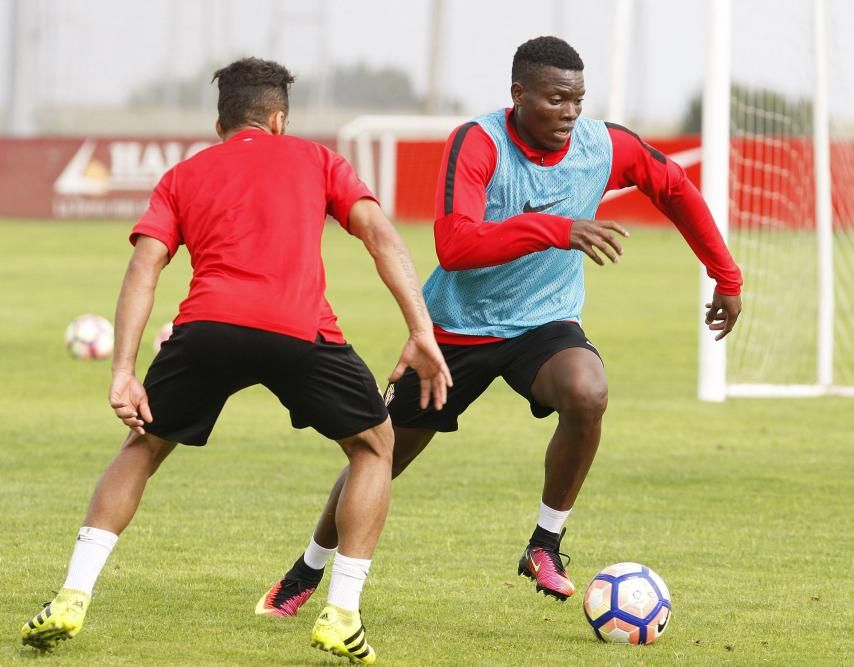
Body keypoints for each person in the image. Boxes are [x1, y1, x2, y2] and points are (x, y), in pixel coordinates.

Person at [256, 36, 742, 617]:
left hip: (544, 325)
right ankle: (306, 569)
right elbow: (455, 244)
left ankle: (545, 544)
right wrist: (556, 228)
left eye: (578, 99)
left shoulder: (602, 145)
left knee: (588, 391)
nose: (569, 113)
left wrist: (727, 276)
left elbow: (675, 188)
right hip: (455, 331)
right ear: (518, 94)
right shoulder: (478, 142)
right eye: (555, 98)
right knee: (381, 454)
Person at [19, 57, 451, 665]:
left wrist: (123, 371)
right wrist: (420, 329)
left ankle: (72, 593)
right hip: (301, 330)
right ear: (278, 118)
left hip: (207, 328)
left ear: (220, 121)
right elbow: (381, 235)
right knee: (374, 447)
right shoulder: (318, 159)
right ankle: (342, 613)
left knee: (142, 447)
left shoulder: (183, 174)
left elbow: (144, 268)